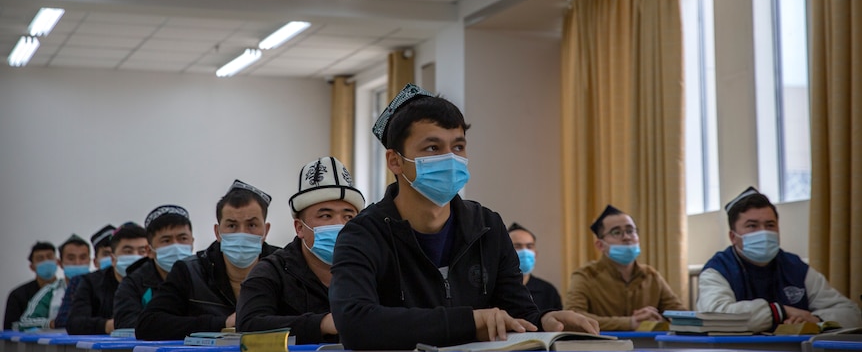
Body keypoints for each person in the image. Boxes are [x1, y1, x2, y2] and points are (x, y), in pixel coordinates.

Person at [329, 84, 599, 350]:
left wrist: (544, 319)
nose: (450, 159)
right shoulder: (362, 234)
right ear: (395, 161)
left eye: (458, 147)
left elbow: (517, 313)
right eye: (432, 148)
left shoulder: (487, 226)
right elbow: (355, 324)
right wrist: (468, 321)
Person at [237, 156, 365, 343]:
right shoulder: (271, 272)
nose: (339, 224)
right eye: (326, 215)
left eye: (348, 217)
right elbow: (248, 325)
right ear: (299, 227)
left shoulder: (372, 268)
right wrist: (322, 323)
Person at [697, 187, 862, 331]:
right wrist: (780, 312)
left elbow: (851, 313)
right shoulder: (718, 270)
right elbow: (715, 317)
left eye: (770, 225)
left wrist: (816, 320)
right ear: (733, 237)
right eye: (752, 226)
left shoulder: (796, 268)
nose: (763, 232)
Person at [136, 180, 278, 340]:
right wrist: (222, 323)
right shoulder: (189, 271)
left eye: (252, 225)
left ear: (265, 230)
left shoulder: (283, 266)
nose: (242, 233)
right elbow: (148, 325)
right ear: (217, 232)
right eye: (231, 226)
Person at [565, 205, 685, 330]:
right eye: (616, 232)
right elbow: (573, 317)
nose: (627, 237)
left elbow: (680, 314)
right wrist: (630, 323)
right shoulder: (586, 275)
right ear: (600, 245)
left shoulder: (651, 276)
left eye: (630, 231)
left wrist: (658, 320)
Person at [112, 205, 194, 330]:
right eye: (166, 241)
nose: (176, 246)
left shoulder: (206, 275)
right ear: (149, 250)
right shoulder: (133, 283)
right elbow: (127, 323)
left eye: (183, 238)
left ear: (192, 243)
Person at [65, 223, 148, 334]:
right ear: (113, 259)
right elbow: (74, 323)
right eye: (128, 252)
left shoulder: (157, 281)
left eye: (142, 252)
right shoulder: (90, 282)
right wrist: (108, 325)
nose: (136, 257)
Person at [17, 234, 91, 329]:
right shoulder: (51, 291)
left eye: (83, 257)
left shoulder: (100, 287)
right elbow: (24, 322)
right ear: (60, 263)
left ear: (90, 261)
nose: (77, 263)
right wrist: (54, 323)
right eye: (71, 258)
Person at [55, 223, 117, 329]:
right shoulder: (83, 282)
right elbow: (68, 321)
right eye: (106, 254)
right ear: (95, 261)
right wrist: (105, 325)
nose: (112, 259)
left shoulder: (137, 281)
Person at [508, 223, 562, 311]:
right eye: (517, 246)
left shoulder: (548, 291)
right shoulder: (492, 290)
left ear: (536, 254)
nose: (525, 252)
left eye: (529, 246)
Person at [3, 242, 57, 330]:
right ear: (32, 267)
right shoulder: (18, 295)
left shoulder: (65, 290)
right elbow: (10, 328)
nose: (46, 261)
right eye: (40, 259)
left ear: (57, 262)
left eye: (50, 257)